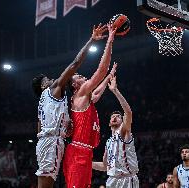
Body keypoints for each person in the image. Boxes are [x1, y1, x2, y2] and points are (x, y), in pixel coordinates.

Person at [32, 23, 107, 188]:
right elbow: (75, 63)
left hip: (51, 141)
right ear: (44, 86)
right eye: (48, 80)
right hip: (51, 142)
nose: (53, 80)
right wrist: (91, 40)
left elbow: (39, 127)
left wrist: (64, 126)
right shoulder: (53, 89)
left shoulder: (44, 102)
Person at [63, 23, 117, 188]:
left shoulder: (85, 99)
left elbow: (98, 92)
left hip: (84, 153)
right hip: (78, 152)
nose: (82, 76)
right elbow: (100, 71)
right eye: (78, 76)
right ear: (75, 85)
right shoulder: (79, 95)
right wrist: (110, 42)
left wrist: (108, 77)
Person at [92, 75, 139, 188]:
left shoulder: (124, 132)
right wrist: (87, 163)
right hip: (112, 180)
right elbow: (104, 166)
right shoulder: (108, 142)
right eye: (112, 117)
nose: (115, 117)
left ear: (123, 122)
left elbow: (128, 112)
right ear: (109, 123)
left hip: (127, 179)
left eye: (118, 116)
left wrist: (115, 91)